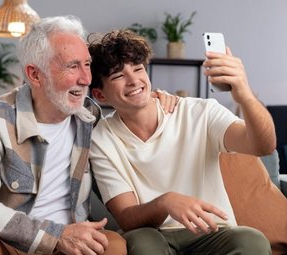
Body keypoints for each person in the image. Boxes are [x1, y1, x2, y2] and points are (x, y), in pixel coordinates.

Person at [0, 16, 177, 255]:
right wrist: (55, 235)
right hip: (9, 242)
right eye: (72, 66)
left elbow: (129, 106)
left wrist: (155, 99)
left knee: (114, 245)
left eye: (87, 64)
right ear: (35, 75)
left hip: (73, 243)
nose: (86, 78)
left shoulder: (89, 116)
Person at [87, 30, 274, 254]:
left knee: (251, 240)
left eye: (138, 69)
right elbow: (127, 217)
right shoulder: (101, 138)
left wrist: (244, 94)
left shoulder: (200, 112)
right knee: (143, 241)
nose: (134, 80)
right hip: (151, 234)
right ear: (100, 95)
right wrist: (166, 202)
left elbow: (262, 146)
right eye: (118, 76)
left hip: (210, 232)